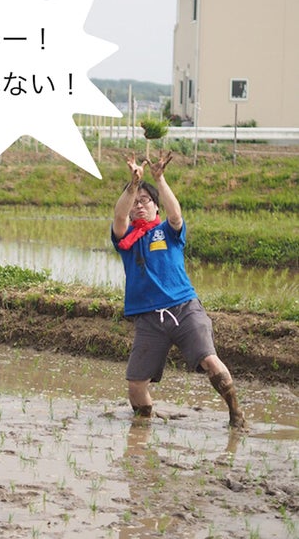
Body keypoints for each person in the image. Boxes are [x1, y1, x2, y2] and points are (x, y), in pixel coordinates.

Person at [111, 152, 246, 429]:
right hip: (149, 317)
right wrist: (133, 185)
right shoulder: (126, 240)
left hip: (184, 308)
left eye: (145, 201)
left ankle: (236, 415)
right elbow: (119, 215)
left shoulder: (167, 231)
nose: (139, 205)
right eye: (135, 202)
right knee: (135, 385)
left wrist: (159, 179)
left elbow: (176, 215)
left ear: (155, 206)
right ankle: (143, 429)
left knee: (210, 360)